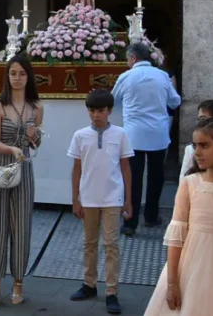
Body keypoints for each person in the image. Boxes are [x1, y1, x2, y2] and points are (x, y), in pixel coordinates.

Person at [143, 117, 213, 315]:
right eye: (195, 145)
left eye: (205, 146)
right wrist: (172, 283)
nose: (197, 152)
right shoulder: (191, 184)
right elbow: (176, 237)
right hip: (193, 268)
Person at [0, 54, 44, 310]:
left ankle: (18, 283)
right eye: (13, 73)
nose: (17, 78)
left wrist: (34, 137)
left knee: (21, 227)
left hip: (24, 171)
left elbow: (36, 144)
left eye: (22, 73)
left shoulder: (37, 107)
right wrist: (12, 150)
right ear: (7, 77)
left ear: (29, 77)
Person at [68, 89, 134, 315]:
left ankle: (112, 291)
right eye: (92, 110)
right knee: (89, 243)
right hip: (88, 197)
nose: (96, 115)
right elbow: (76, 169)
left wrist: (128, 200)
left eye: (101, 110)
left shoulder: (120, 134)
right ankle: (89, 284)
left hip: (112, 197)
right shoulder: (80, 135)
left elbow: (126, 168)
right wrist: (75, 199)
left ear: (110, 111)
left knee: (111, 244)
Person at [112, 42, 181, 236]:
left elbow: (113, 99)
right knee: (156, 176)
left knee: (132, 178)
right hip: (158, 134)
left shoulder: (126, 76)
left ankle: (130, 222)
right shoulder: (162, 76)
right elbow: (175, 101)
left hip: (134, 135)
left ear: (133, 58)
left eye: (127, 59)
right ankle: (151, 216)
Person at [179, 99, 213, 180]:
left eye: (203, 119)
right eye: (199, 119)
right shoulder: (191, 150)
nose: (197, 152)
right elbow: (183, 179)